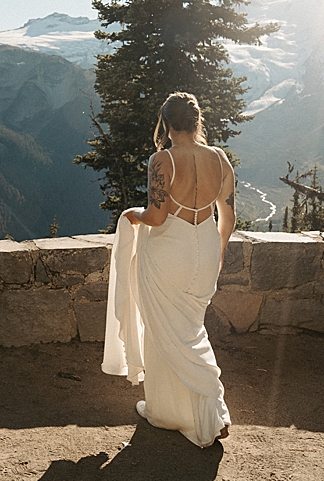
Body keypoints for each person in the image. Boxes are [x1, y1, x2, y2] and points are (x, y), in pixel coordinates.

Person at [101, 91, 235, 447]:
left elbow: (157, 218)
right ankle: (205, 411)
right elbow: (229, 214)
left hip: (169, 253)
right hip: (205, 246)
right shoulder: (220, 159)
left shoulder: (163, 160)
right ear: (196, 121)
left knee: (163, 331)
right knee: (191, 329)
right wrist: (218, 252)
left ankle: (169, 412)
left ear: (166, 123)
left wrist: (133, 215)